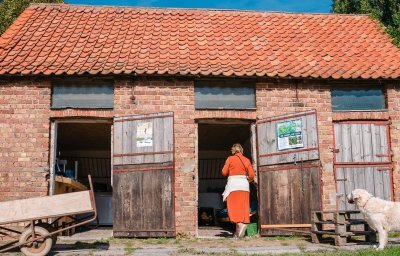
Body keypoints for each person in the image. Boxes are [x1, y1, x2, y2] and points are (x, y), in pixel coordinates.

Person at [222, 143, 255, 238]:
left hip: (233, 185)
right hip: (244, 185)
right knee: (243, 207)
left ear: (233, 150)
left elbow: (224, 172)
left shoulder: (230, 159)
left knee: (233, 207)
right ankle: (237, 232)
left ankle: (240, 225)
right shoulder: (246, 160)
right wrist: (246, 179)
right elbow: (252, 175)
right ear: (241, 150)